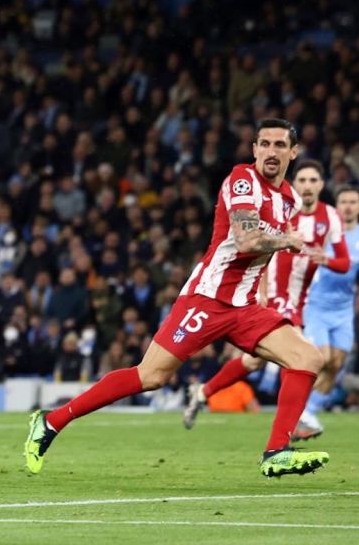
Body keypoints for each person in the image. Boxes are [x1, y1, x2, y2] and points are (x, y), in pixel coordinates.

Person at [23, 119, 330, 478]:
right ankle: (51, 422)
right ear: (254, 149)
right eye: (264, 144)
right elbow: (247, 240)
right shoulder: (242, 179)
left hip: (244, 307)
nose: (271, 152)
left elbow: (260, 259)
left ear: (293, 152)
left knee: (308, 357)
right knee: (150, 375)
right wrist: (286, 240)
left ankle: (276, 451)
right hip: (206, 300)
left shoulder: (289, 199)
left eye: (280, 145)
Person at [183, 161, 349, 435]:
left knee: (253, 361)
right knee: (298, 353)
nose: (307, 186)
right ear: (296, 184)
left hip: (301, 299)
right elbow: (257, 248)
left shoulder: (330, 217)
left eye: (313, 181)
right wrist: (259, 290)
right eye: (303, 180)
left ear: (321, 185)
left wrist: (326, 259)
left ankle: (203, 391)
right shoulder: (285, 209)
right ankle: (294, 423)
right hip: (274, 293)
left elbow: (343, 263)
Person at [295, 186, 359, 437]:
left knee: (336, 365)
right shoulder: (326, 233)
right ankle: (298, 410)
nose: (348, 206)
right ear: (336, 205)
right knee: (321, 358)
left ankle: (307, 411)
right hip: (317, 307)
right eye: (344, 201)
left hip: (343, 312)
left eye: (353, 202)